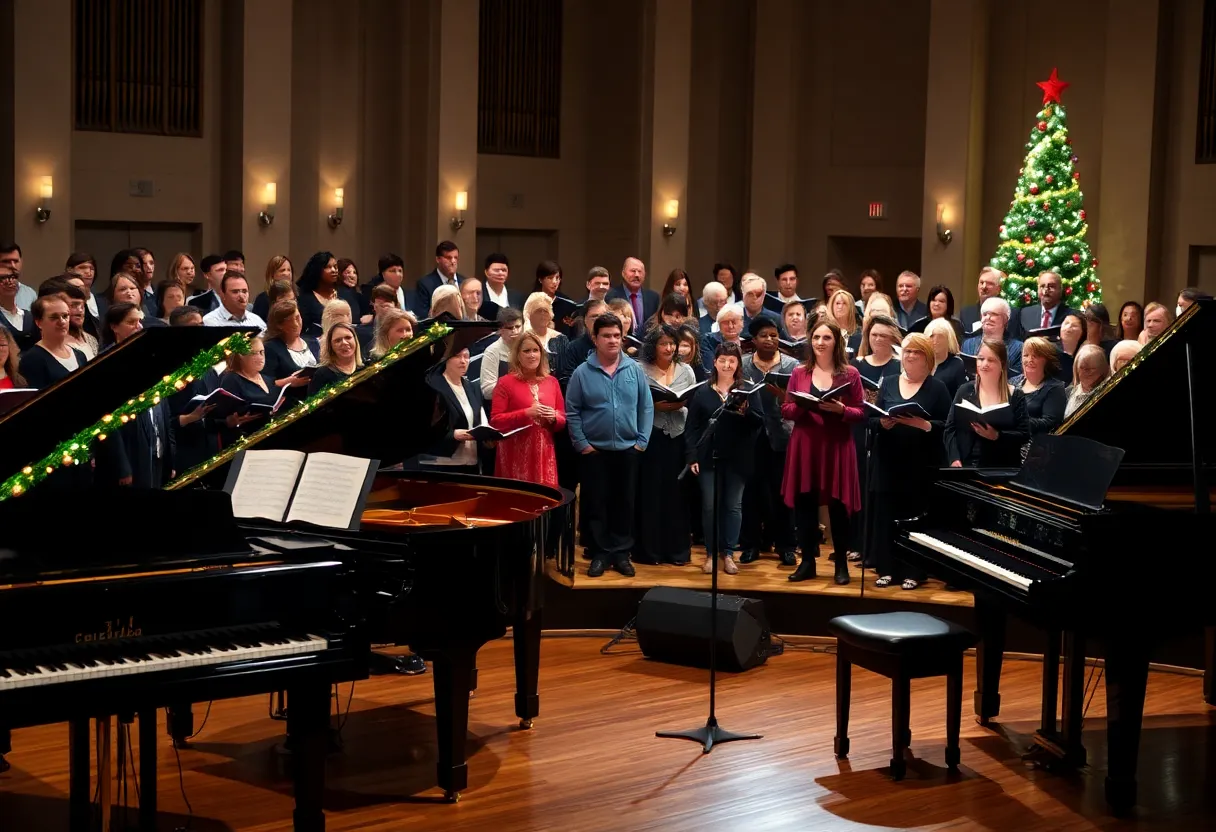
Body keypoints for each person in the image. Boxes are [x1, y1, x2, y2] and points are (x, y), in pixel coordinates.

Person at [565, 313, 654, 578]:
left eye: (617, 335)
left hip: (628, 449)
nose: (613, 340)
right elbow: (572, 411)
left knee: (624, 503)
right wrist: (582, 445)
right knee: (597, 504)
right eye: (607, 335)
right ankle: (601, 554)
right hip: (595, 451)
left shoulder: (634, 369)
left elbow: (646, 407)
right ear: (595, 338)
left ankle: (621, 553)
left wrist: (641, 442)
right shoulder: (582, 372)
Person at [781, 320, 864, 584]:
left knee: (839, 507)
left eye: (826, 337)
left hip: (837, 445)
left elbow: (861, 412)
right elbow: (786, 410)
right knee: (805, 504)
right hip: (806, 445)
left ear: (836, 342)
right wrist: (805, 406)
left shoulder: (850, 374)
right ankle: (807, 562)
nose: (820, 342)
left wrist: (841, 410)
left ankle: (841, 564)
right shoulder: (799, 373)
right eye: (816, 337)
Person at [868, 334, 951, 590]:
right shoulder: (890, 382)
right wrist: (882, 422)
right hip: (889, 461)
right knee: (886, 516)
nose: (911, 356)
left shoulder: (937, 387)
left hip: (919, 464)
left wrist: (925, 425)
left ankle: (914, 570)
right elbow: (873, 418)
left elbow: (947, 425)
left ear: (927, 357)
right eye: (907, 351)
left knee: (913, 517)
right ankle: (886, 568)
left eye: (917, 352)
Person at [685, 341, 765, 575]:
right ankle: (710, 553)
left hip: (738, 458)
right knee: (710, 506)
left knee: (733, 506)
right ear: (715, 362)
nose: (727, 365)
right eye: (723, 360)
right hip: (708, 456)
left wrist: (746, 411)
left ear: (738, 363)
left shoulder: (748, 389)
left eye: (732, 360)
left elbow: (759, 422)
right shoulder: (703, 391)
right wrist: (692, 457)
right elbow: (692, 428)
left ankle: (728, 553)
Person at [634, 324, 696, 566]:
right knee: (651, 495)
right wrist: (654, 406)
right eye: (664, 343)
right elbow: (634, 403)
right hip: (652, 437)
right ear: (653, 346)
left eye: (672, 343)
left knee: (677, 496)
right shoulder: (639, 369)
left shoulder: (686, 371)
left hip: (678, 438)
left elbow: (692, 399)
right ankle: (650, 552)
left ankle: (677, 551)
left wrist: (681, 404)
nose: (669, 348)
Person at [490, 330, 565, 488]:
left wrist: (554, 418)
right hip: (514, 454)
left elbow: (562, 418)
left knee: (544, 505)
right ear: (517, 355)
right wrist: (526, 413)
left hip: (544, 454)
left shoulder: (552, 382)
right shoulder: (505, 383)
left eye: (535, 350)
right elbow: (495, 422)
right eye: (526, 351)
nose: (532, 355)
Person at [945, 339, 1029, 468]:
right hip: (965, 465)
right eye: (981, 359)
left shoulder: (1015, 395)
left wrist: (997, 436)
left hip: (1000, 467)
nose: (984, 364)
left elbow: (1024, 435)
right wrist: (954, 458)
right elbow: (950, 429)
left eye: (991, 360)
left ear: (1002, 364)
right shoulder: (965, 390)